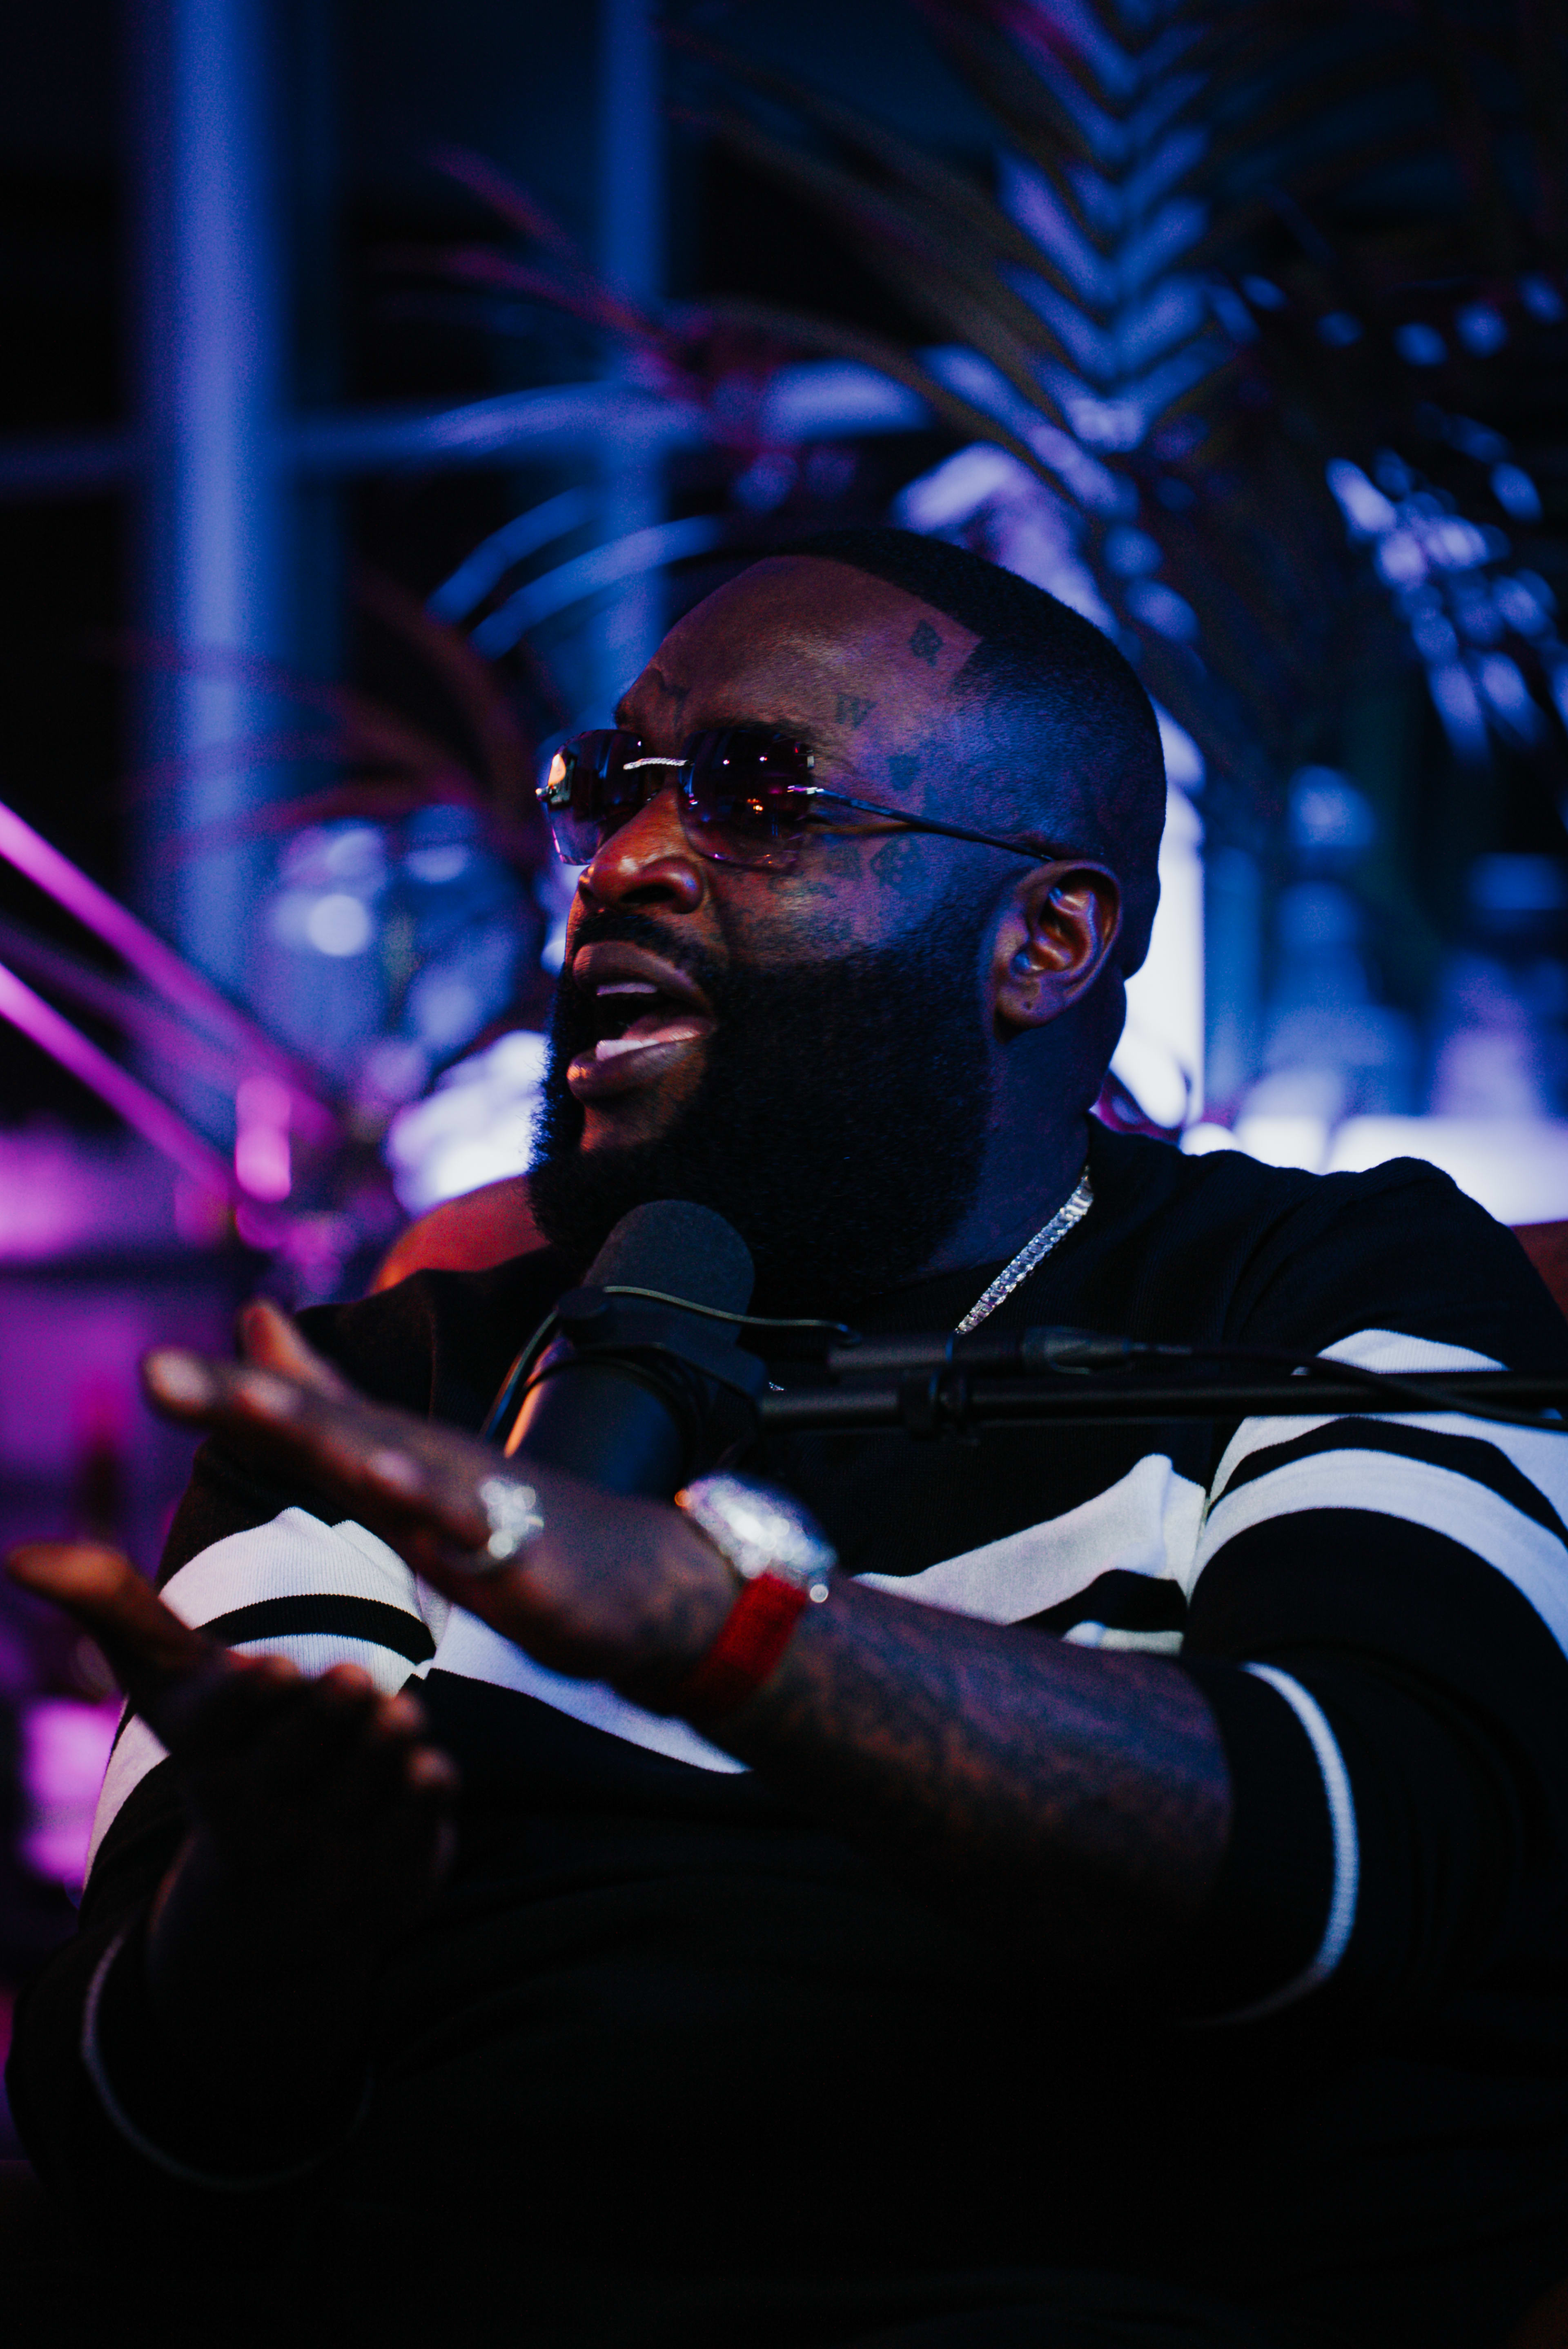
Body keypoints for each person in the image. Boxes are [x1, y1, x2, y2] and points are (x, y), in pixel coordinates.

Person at [10, 530, 1568, 2349]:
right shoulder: (391, 1394)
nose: (626, 863)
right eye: (611, 791)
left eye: (756, 796)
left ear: (1047, 940)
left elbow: (1356, 1864)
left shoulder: (1327, 1289)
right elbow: (140, 2160)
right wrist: (268, 1911)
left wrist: (726, 1627)